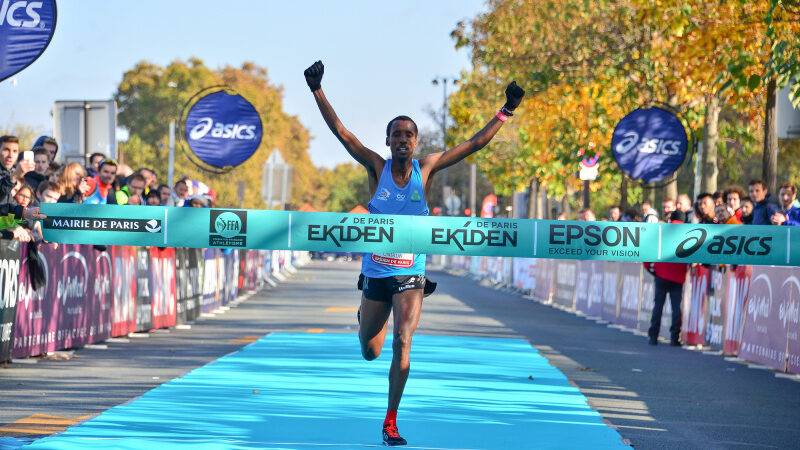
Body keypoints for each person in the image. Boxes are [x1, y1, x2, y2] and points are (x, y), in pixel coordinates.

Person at [305, 59, 524, 446]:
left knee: (403, 341)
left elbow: (473, 144)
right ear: (388, 141)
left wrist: (505, 111)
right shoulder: (377, 167)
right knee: (370, 352)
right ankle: (367, 317)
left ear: (416, 142)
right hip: (376, 273)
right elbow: (342, 133)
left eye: (409, 134)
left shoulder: (428, 168)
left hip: (411, 273)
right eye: (397, 134)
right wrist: (317, 90)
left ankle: (390, 421)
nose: (403, 139)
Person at [644, 215, 688, 347]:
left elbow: (650, 254)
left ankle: (653, 336)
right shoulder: (686, 231)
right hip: (678, 276)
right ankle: (675, 338)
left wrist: (653, 270)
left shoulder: (662, 231)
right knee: (676, 308)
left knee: (658, 306)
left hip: (661, 274)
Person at [0, 135, 35, 204]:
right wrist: (14, 176)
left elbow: (9, 206)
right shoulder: (15, 174)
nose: (10, 155)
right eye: (6, 150)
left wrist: (25, 211)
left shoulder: (14, 172)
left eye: (15, 151)